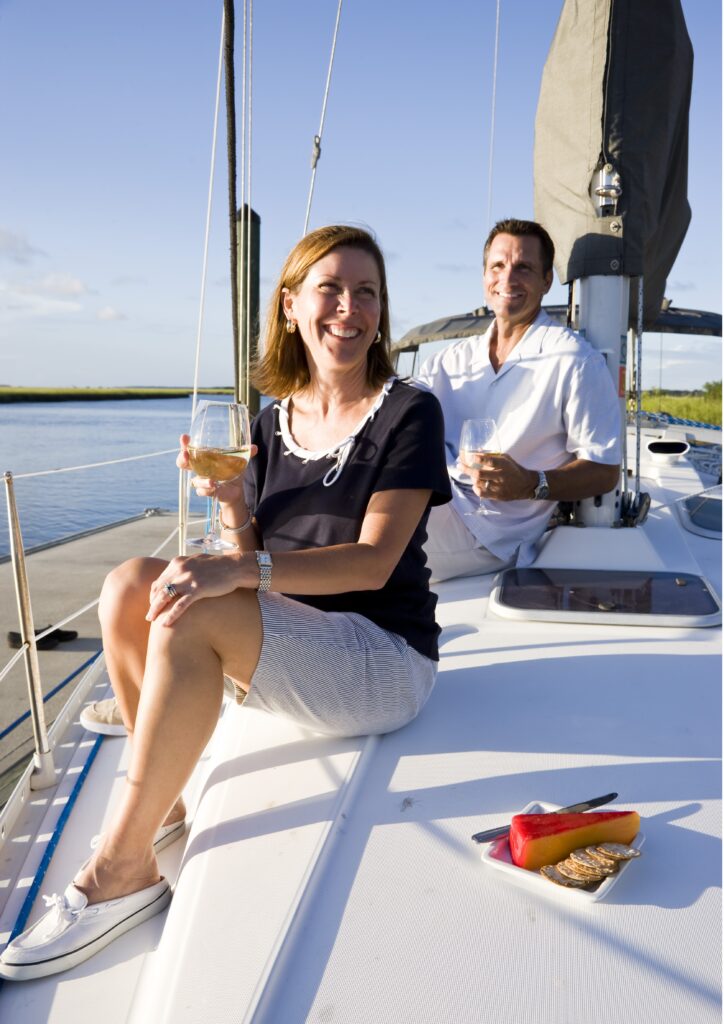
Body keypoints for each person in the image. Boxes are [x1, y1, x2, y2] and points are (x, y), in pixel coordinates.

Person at [0, 225, 451, 981]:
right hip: (300, 638)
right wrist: (235, 502)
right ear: (291, 305)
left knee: (199, 602)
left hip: (382, 658)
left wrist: (234, 575)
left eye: (366, 292)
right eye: (330, 290)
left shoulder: (409, 412)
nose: (350, 309)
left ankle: (121, 867)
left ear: (381, 311)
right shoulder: (271, 420)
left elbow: (374, 565)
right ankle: (164, 809)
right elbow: (248, 560)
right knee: (128, 585)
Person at [416, 218, 621, 581]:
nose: (507, 279)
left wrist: (532, 482)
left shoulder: (574, 361)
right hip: (436, 498)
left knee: (360, 539)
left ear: (546, 281)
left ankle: (282, 591)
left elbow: (604, 470)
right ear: (484, 278)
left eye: (523, 267)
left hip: (492, 532)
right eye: (497, 266)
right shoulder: (452, 360)